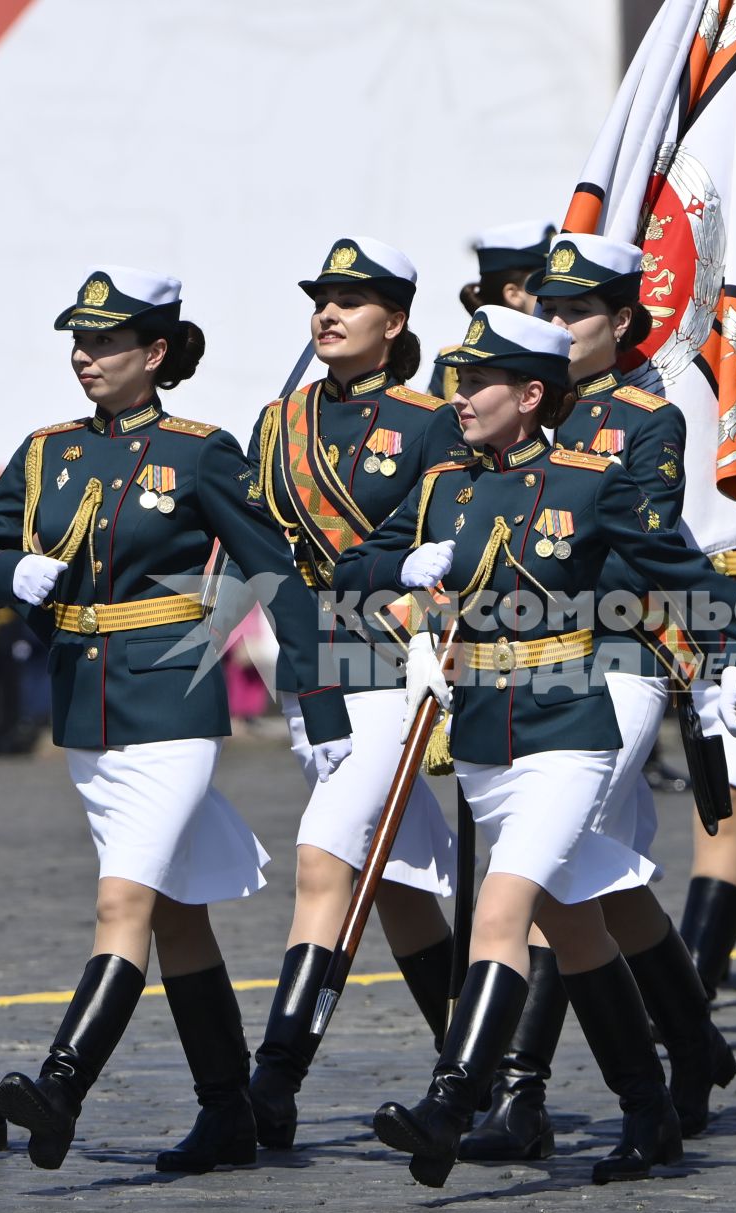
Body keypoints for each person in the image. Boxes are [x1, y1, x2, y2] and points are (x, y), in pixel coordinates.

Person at [334, 305, 736, 1188]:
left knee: (502, 912)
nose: (460, 398)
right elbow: (349, 568)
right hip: (485, 730)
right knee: (574, 921)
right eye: (457, 379)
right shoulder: (445, 485)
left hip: (570, 729)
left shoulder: (588, 482)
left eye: (479, 382)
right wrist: (399, 567)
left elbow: (673, 564)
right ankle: (648, 1111)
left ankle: (454, 1101)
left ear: (531, 395)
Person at [0, 266, 353, 1173]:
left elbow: (271, 572)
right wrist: (5, 576)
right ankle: (229, 1113)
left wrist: (317, 701)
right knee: (174, 916)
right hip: (87, 709)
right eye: (78, 342)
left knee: (121, 901)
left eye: (105, 343)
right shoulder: (45, 452)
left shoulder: (202, 452)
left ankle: (61, 1085)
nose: (85, 358)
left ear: (155, 353)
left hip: (173, 700)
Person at [461, 234, 736, 1163]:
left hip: (616, 651)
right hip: (519, 666)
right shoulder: (513, 406)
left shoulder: (644, 418)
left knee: (546, 867)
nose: (560, 325)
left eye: (578, 312)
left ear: (622, 323)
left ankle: (519, 1089)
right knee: (597, 877)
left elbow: (640, 550)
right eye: (550, 308)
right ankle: (689, 1043)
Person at [240, 236, 462, 1152]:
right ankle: (477, 1066)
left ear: (395, 322)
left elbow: (450, 549)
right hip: (310, 670)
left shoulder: (429, 423)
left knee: (325, 859)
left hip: (387, 665)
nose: (328, 313)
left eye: (352, 300)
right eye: (321, 298)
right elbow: (260, 561)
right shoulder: (276, 423)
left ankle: (272, 1078)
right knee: (400, 883)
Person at [430, 220, 553, 400]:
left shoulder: (567, 353)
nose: (556, 296)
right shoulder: (450, 363)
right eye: (543, 286)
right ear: (514, 294)